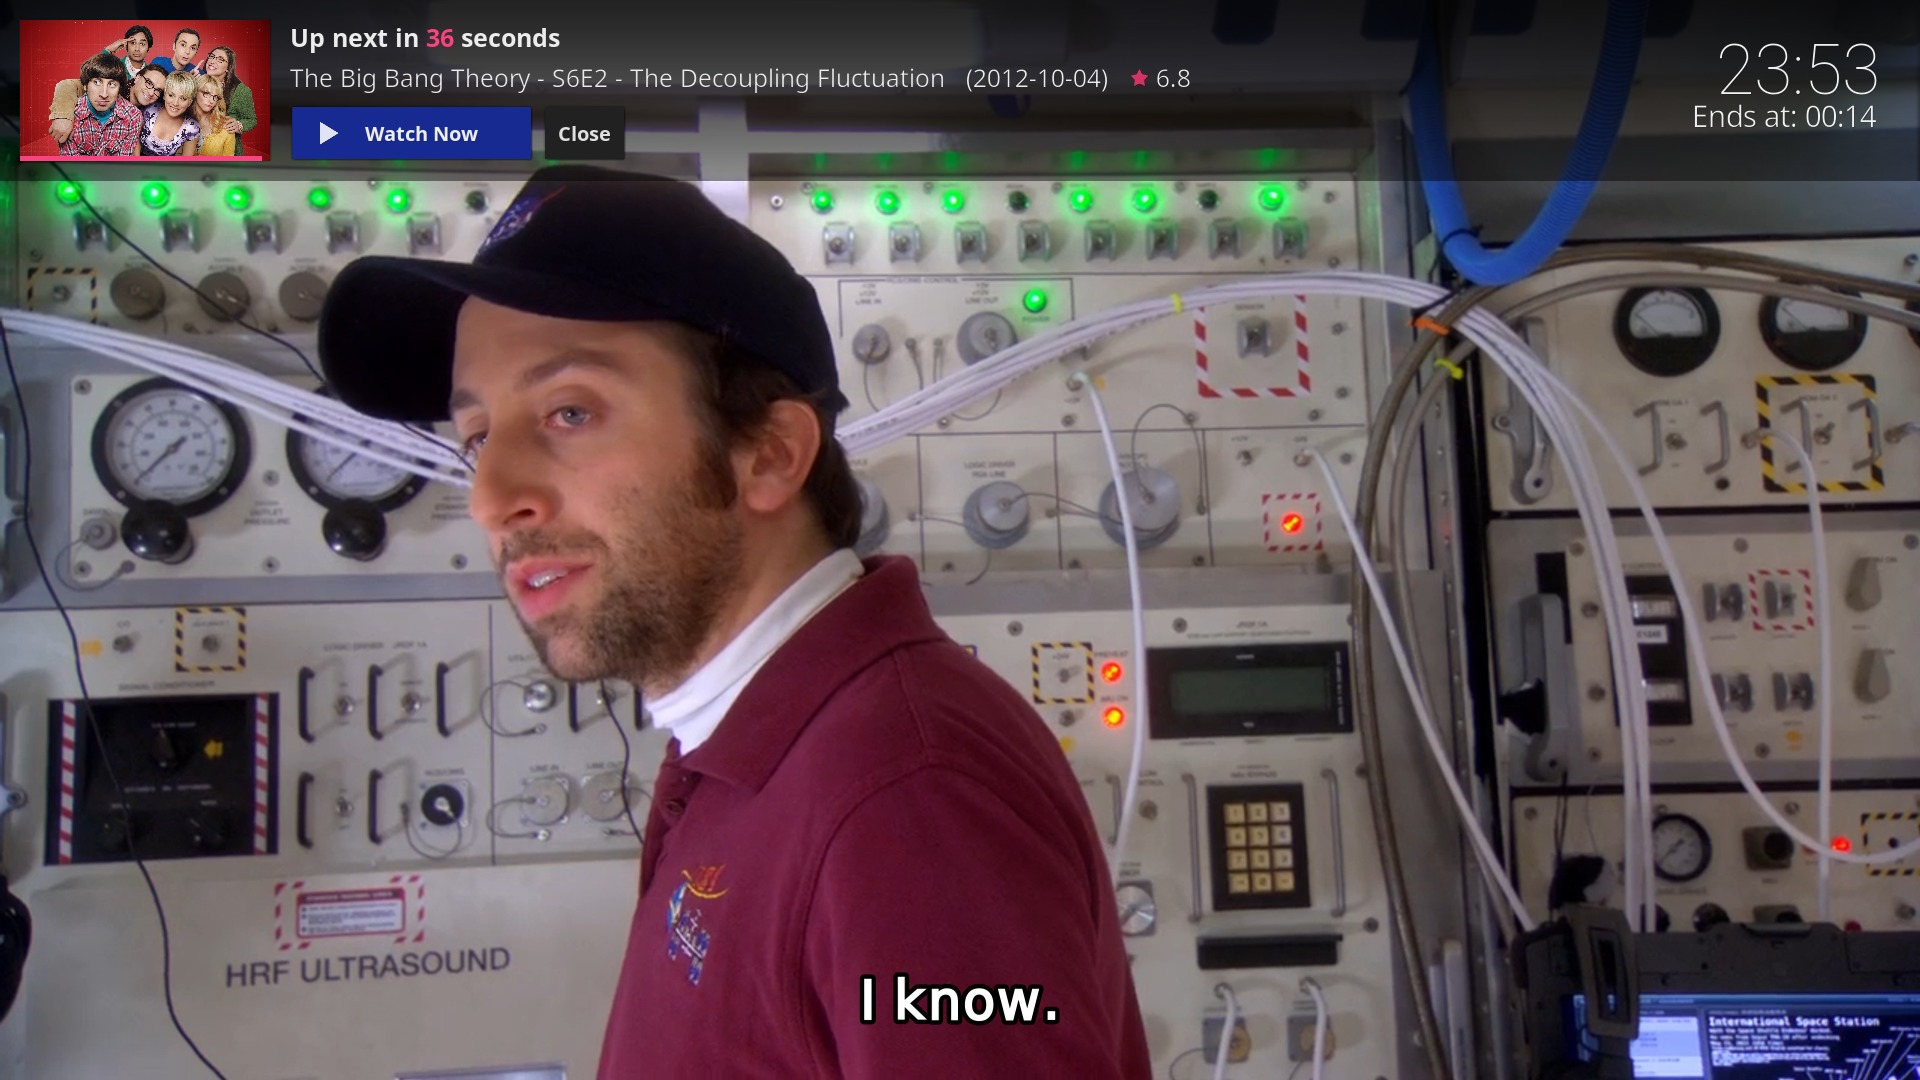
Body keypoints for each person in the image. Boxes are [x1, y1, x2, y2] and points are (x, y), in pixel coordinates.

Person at [315, 166, 1152, 1078]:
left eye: (569, 411)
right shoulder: (758, 747)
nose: (490, 497)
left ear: (769, 453)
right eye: (477, 436)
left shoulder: (907, 800)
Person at [48, 62, 163, 149]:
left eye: (158, 90)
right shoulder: (115, 85)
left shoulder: (148, 113)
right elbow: (69, 85)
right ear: (137, 78)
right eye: (149, 83)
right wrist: (63, 115)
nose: (151, 92)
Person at [60, 53, 141, 156]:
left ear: (119, 89)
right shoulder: (69, 115)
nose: (104, 94)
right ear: (85, 85)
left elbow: (122, 161)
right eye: (97, 82)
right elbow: (71, 163)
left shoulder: (133, 116)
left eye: (112, 84)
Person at [199, 47, 253, 153]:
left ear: (228, 67)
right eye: (212, 56)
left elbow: (251, 119)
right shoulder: (199, 80)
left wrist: (239, 125)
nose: (212, 61)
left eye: (220, 59)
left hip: (226, 148)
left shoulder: (241, 91)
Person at [141, 70, 200, 157]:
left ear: (190, 102)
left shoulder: (192, 127)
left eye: (183, 98)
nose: (175, 103)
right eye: (171, 95)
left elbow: (186, 162)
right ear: (164, 95)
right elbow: (133, 140)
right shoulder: (149, 109)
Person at [191, 75, 234, 156]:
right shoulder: (181, 120)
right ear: (195, 91)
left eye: (215, 97)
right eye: (207, 93)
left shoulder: (225, 126)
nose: (211, 101)